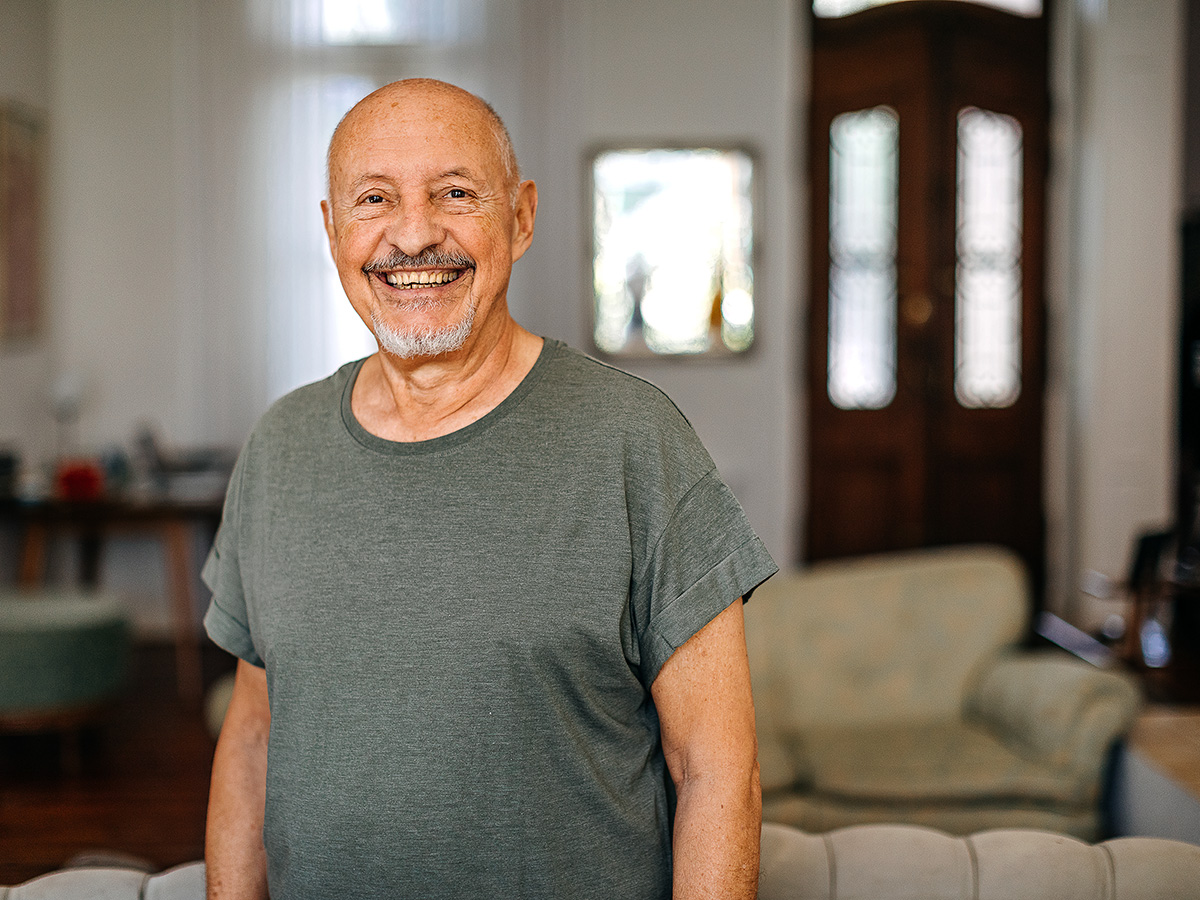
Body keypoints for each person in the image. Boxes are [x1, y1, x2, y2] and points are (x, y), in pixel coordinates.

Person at [202, 78, 777, 900]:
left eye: (456, 193)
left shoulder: (635, 442)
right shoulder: (278, 448)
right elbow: (254, 736)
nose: (414, 234)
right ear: (333, 230)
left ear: (522, 215)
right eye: (374, 199)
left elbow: (719, 769)